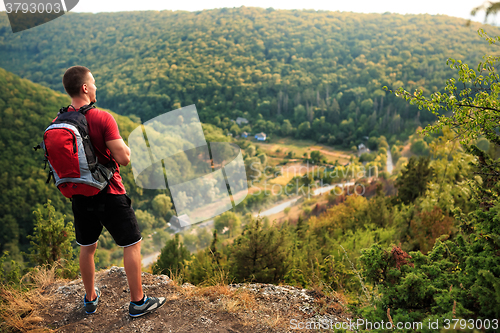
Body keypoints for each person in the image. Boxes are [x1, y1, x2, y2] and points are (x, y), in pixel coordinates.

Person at [62, 66, 165, 317]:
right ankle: (138, 302)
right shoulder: (102, 118)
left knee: (87, 247)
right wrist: (127, 149)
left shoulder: (60, 121)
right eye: (93, 83)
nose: (96, 87)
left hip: (79, 194)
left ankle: (90, 298)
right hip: (110, 192)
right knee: (132, 244)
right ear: (85, 88)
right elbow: (124, 158)